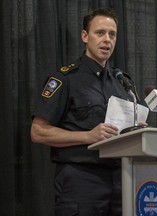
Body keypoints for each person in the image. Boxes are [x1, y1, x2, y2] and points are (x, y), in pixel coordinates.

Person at [31, 8, 138, 216]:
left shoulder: (121, 83)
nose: (107, 39)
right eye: (100, 33)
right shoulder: (65, 79)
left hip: (122, 179)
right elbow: (38, 132)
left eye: (112, 34)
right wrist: (88, 136)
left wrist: (136, 131)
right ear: (84, 36)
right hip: (81, 181)